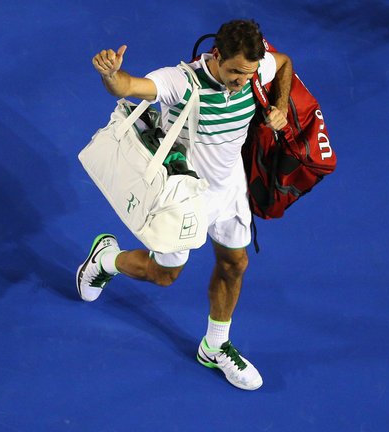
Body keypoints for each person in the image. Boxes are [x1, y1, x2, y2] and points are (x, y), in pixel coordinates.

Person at [77, 19, 293, 391]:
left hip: (229, 191)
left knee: (235, 263)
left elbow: (285, 62)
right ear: (217, 55)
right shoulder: (180, 82)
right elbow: (128, 87)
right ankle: (104, 259)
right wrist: (112, 75)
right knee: (163, 275)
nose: (243, 81)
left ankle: (215, 345)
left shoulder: (255, 71)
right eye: (235, 73)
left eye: (250, 74)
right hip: (183, 197)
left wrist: (281, 106)